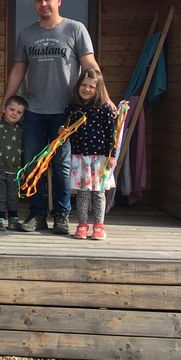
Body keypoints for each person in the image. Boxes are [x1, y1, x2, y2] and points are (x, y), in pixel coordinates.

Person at [0, 0, 108, 235]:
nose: (43, 4)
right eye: (38, 0)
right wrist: (5, 101)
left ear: (59, 1)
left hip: (66, 113)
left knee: (62, 167)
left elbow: (90, 65)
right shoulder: (27, 34)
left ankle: (61, 216)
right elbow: (18, 69)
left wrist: (105, 98)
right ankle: (37, 215)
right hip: (34, 111)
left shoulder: (75, 29)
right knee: (33, 164)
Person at [64, 69, 117, 240]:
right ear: (78, 86)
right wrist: (63, 131)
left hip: (100, 159)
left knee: (98, 193)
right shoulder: (72, 108)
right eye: (84, 85)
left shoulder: (104, 108)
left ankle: (99, 226)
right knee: (82, 193)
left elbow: (111, 134)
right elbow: (67, 130)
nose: (86, 89)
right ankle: (82, 224)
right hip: (80, 158)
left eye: (91, 87)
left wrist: (111, 155)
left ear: (98, 89)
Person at [0, 95, 26, 231]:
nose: (14, 113)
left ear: (22, 115)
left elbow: (23, 151)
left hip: (15, 171)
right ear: (4, 109)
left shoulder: (21, 131)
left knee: (13, 196)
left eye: (19, 112)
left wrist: (23, 170)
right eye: (11, 109)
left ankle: (13, 219)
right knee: (0, 196)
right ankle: (0, 219)